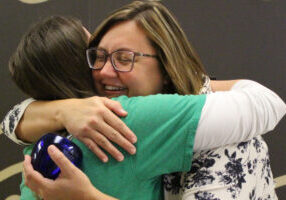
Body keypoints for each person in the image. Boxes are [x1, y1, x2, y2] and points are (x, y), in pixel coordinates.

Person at [2, 1, 285, 199]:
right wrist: (65, 110)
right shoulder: (105, 115)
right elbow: (11, 122)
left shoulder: (230, 143)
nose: (103, 70)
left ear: (165, 65)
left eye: (124, 59)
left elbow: (267, 104)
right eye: (96, 57)